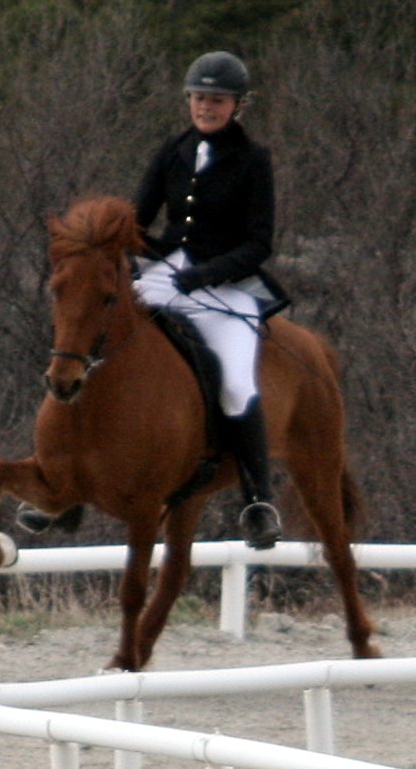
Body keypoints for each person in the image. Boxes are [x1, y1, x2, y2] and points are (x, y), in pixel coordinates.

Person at [132, 50, 287, 550]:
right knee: (97, 338)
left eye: (217, 100)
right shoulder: (172, 150)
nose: (206, 107)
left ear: (237, 105)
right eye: (199, 97)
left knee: (237, 385)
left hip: (226, 288)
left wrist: (206, 274)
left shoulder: (253, 160)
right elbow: (137, 218)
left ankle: (258, 501)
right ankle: (65, 472)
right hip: (168, 276)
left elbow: (259, 243)